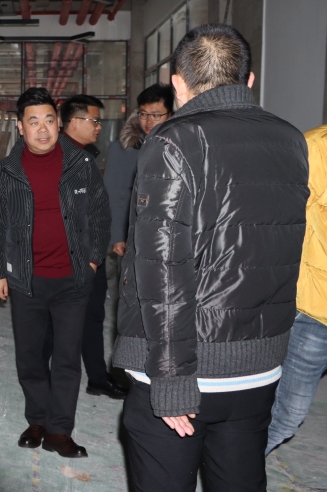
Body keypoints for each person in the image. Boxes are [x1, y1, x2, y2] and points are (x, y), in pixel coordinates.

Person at [112, 24, 309, 491]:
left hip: (183, 368)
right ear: (250, 80)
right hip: (258, 366)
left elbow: (161, 269)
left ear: (177, 84)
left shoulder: (172, 140)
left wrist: (171, 379)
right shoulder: (290, 139)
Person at [0, 87, 110, 459]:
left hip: (73, 280)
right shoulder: (6, 172)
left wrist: (92, 261)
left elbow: (100, 216)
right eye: (33, 122)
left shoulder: (81, 164)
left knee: (67, 359)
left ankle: (58, 431)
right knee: (31, 356)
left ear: (58, 124)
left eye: (49, 120)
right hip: (26, 280)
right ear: (21, 127)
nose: (42, 129)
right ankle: (37, 420)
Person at [59, 94, 128, 401]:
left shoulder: (84, 156)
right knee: (62, 323)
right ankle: (54, 386)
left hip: (90, 254)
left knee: (92, 317)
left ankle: (97, 377)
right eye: (94, 120)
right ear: (74, 122)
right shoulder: (59, 157)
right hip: (71, 258)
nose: (99, 126)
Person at [266, 123, 327, 455]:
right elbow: (281, 221)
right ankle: (229, 474)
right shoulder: (314, 148)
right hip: (315, 311)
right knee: (285, 417)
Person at [104, 83, 174, 258]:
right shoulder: (124, 148)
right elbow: (114, 193)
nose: (148, 121)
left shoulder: (180, 146)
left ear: (171, 114)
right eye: (143, 114)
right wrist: (118, 235)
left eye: (156, 115)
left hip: (172, 233)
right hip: (134, 233)